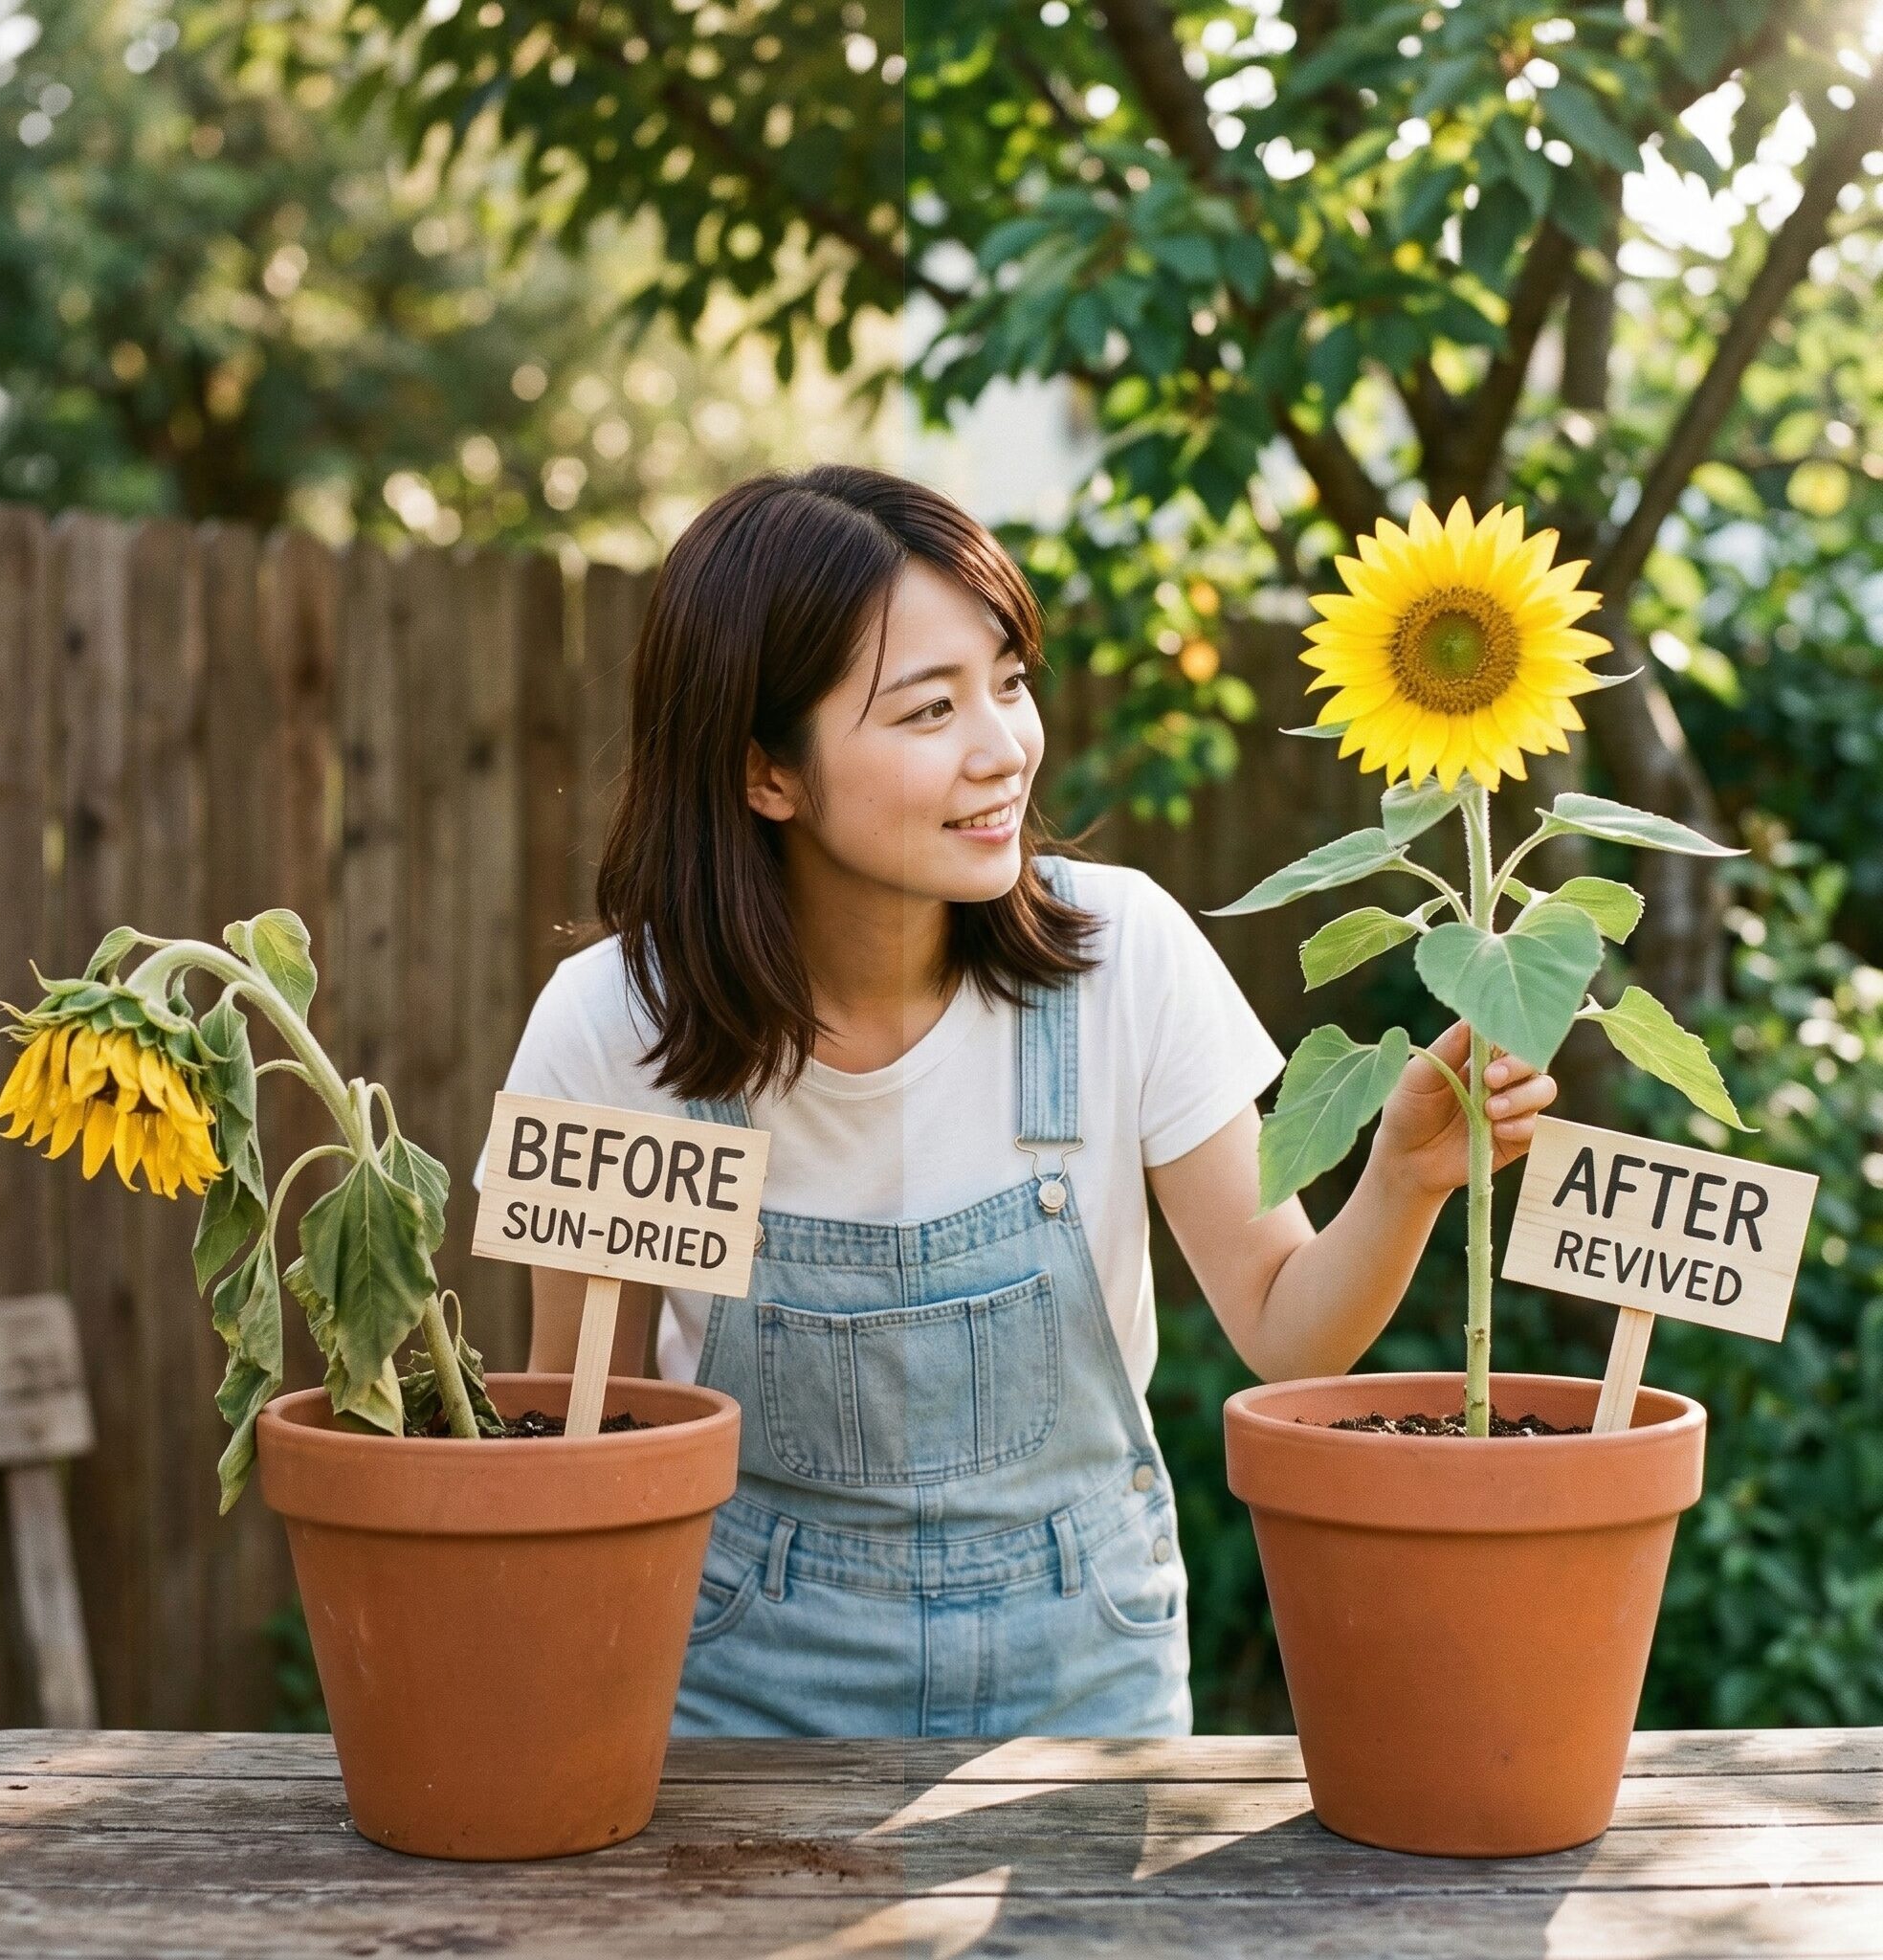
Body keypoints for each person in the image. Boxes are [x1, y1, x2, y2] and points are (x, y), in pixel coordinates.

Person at [473, 464, 1556, 1738]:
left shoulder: (1125, 955)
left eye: (1010, 683)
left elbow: (1285, 1329)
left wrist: (1404, 1176)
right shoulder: (611, 1027)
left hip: (1085, 1672)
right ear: (767, 771)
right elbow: (583, 1425)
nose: (1005, 748)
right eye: (931, 711)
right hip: (733, 1690)